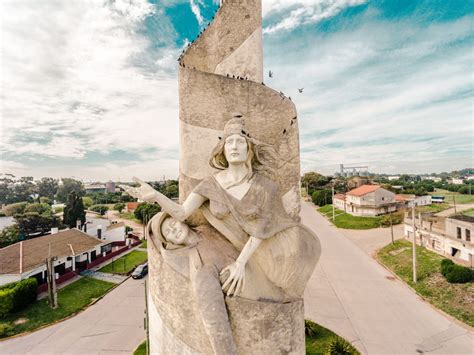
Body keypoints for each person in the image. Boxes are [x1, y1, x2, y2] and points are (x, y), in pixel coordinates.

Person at [121, 114, 320, 301]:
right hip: (225, 253)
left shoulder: (265, 186)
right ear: (222, 149)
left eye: (240, 142)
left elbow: (261, 229)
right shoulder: (210, 184)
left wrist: (240, 264)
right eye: (229, 142)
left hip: (265, 255)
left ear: (249, 149)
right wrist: (156, 196)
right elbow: (181, 213)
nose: (234, 147)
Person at [148, 212, 238, 355]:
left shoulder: (205, 230)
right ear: (169, 242)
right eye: (168, 233)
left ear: (181, 220)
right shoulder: (199, 266)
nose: (174, 230)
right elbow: (215, 320)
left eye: (173, 224)